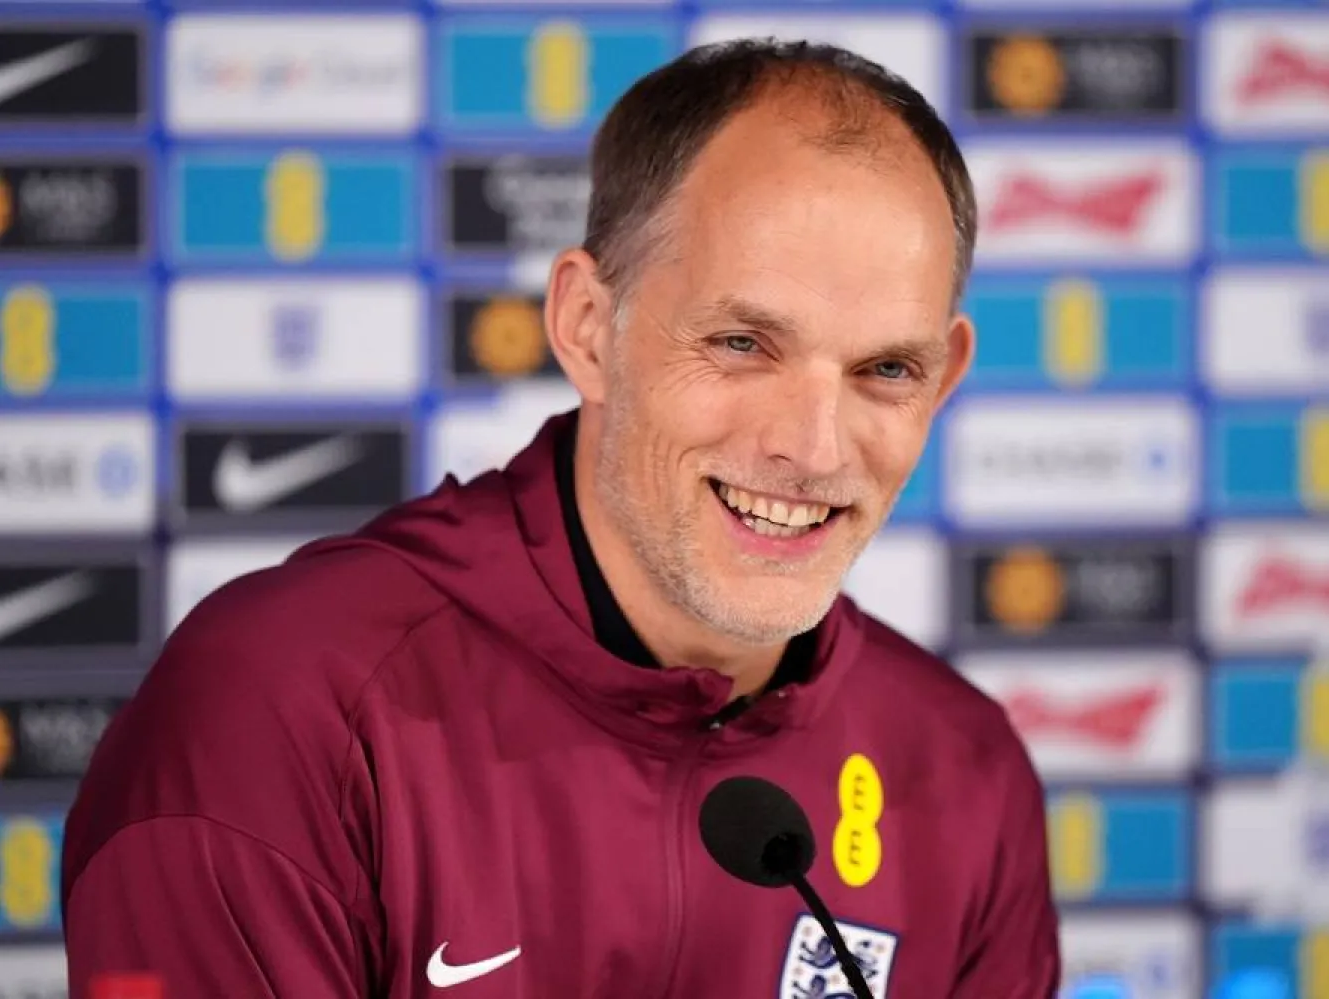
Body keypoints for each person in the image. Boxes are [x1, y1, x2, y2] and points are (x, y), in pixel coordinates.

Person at [62, 40, 1060, 998]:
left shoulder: (962, 771)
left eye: (886, 370)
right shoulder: (282, 715)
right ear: (589, 327)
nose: (814, 447)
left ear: (944, 382)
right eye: (742, 342)